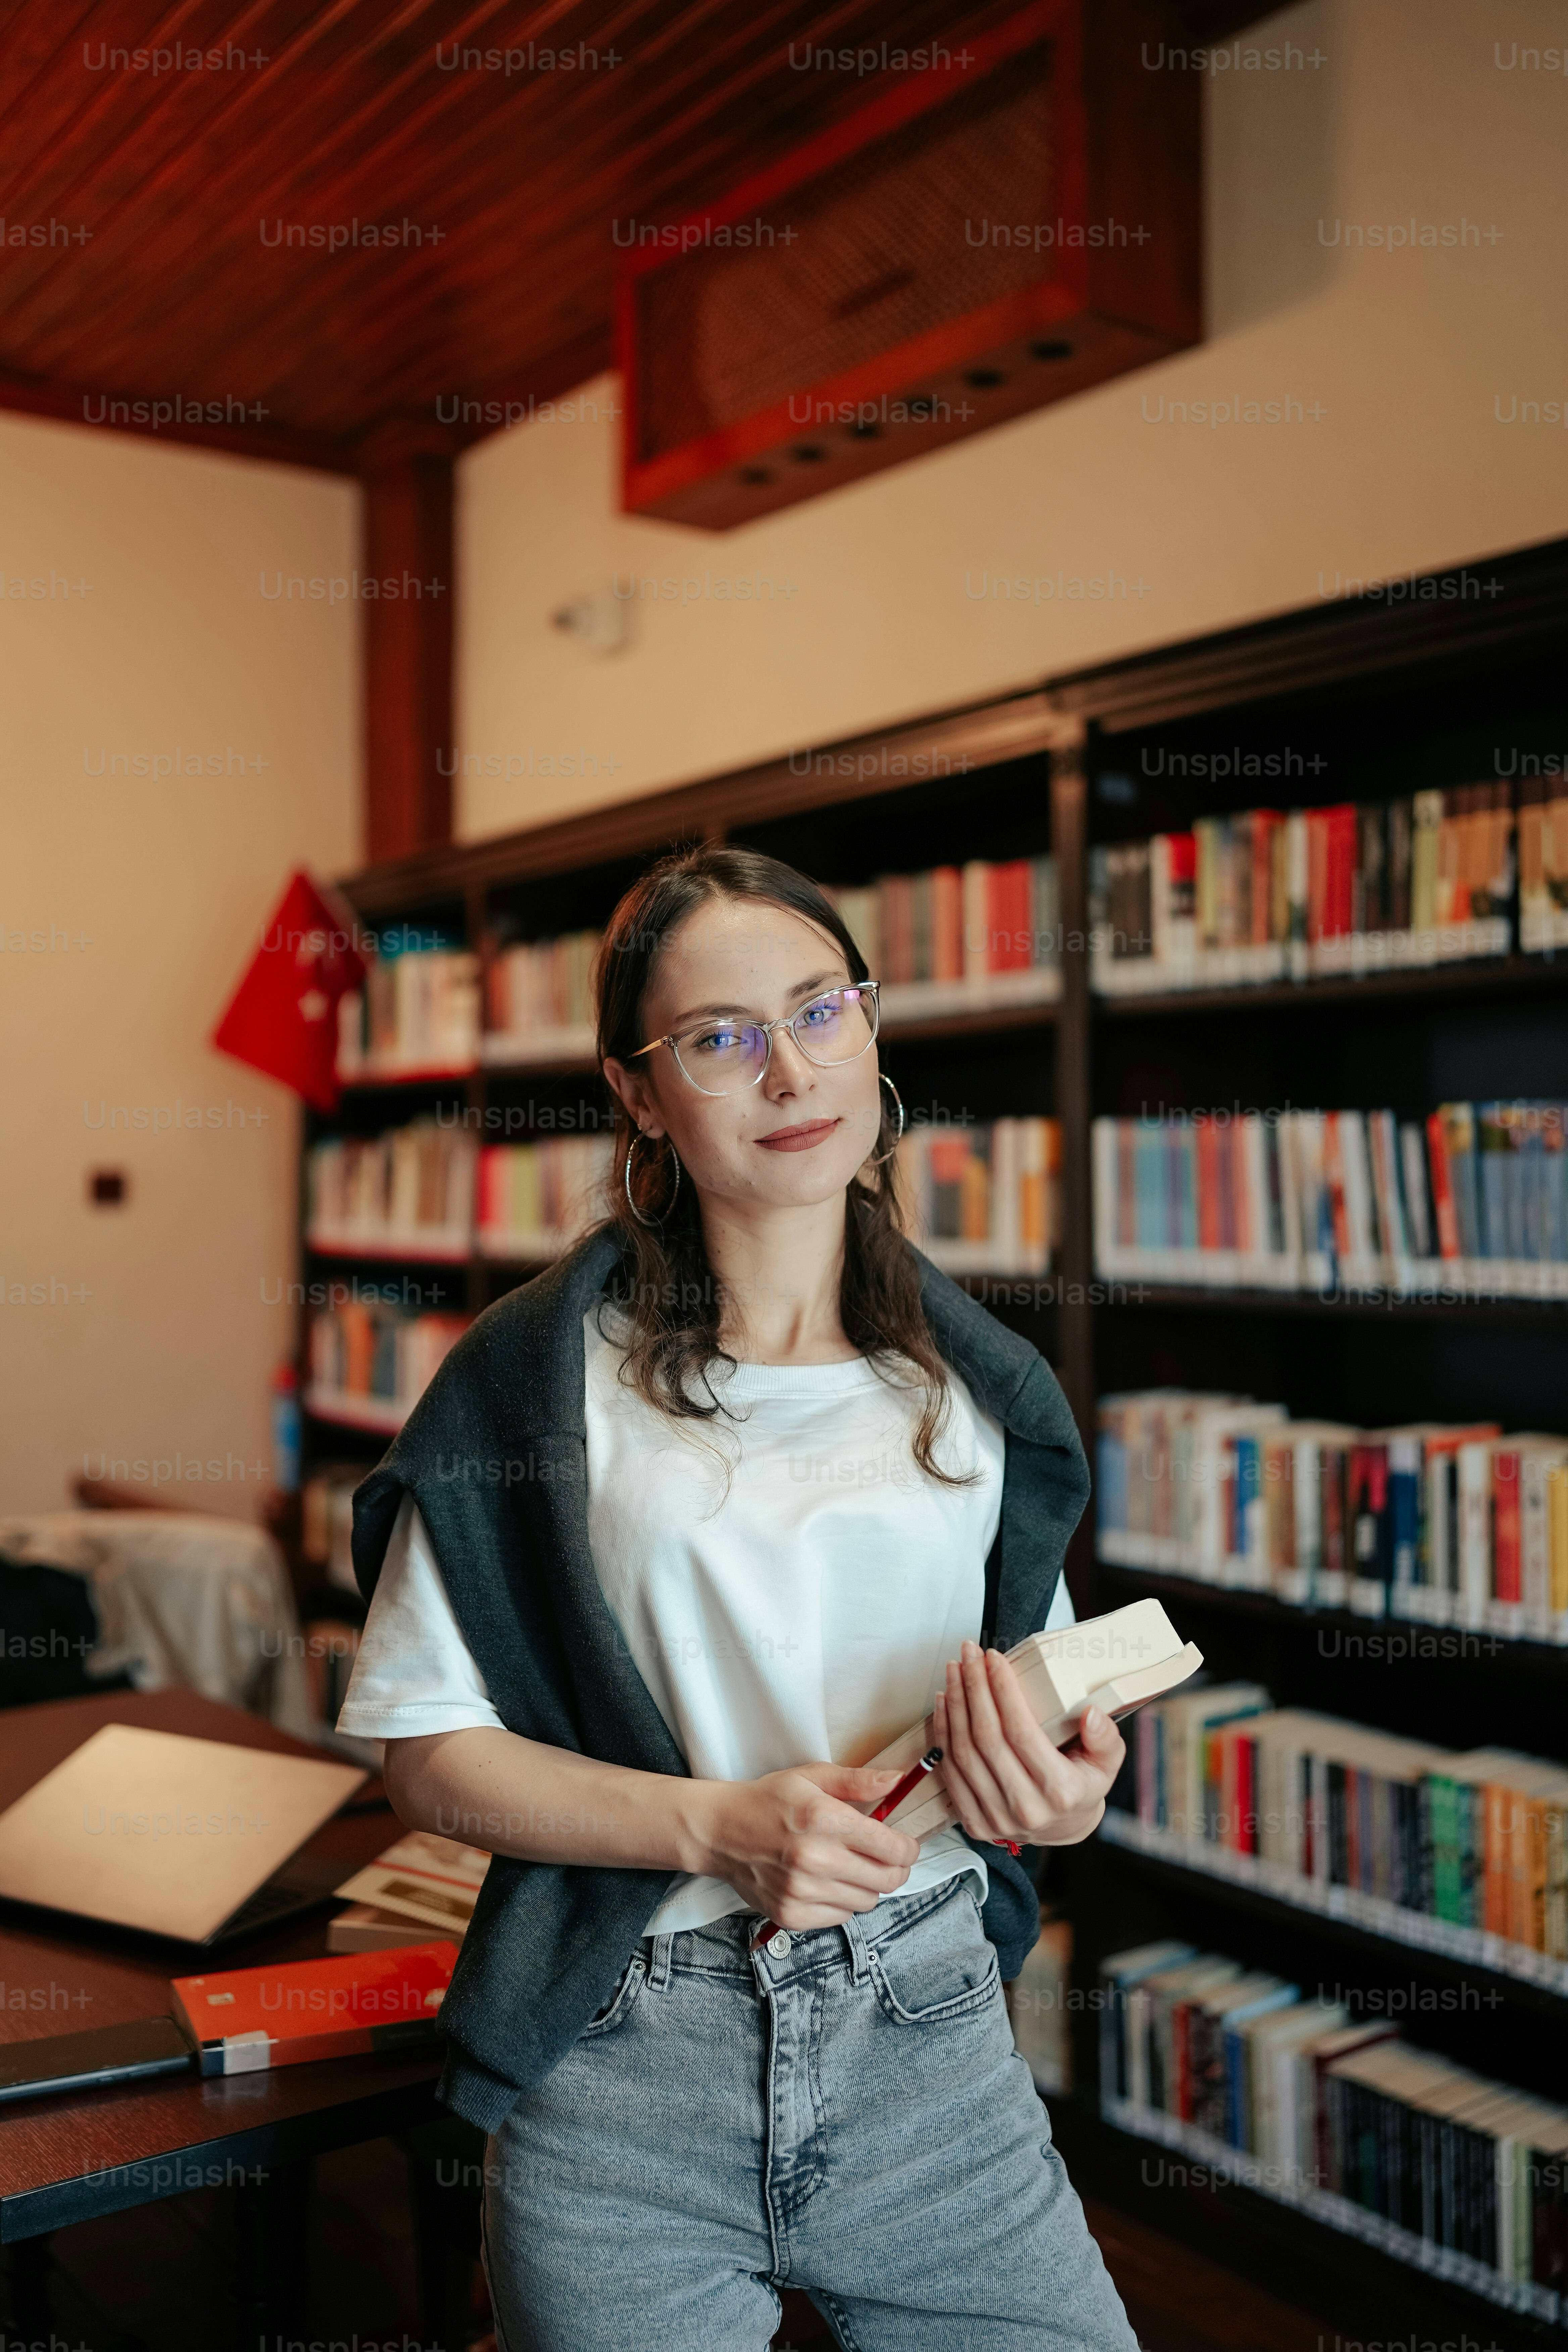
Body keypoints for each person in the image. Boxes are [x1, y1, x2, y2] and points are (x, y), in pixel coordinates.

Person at [341, 844, 1138, 2351]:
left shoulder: (981, 1392)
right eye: (719, 1038)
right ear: (638, 1092)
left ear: (871, 1026)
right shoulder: (531, 1390)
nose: (789, 1071)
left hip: (932, 2051)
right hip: (629, 2061)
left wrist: (1062, 1796)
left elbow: (1037, 1718)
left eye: (820, 1009)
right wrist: (720, 1828)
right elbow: (423, 1752)